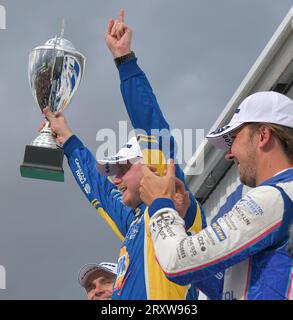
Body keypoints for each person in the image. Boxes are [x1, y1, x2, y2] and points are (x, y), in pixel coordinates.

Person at [42, 10, 209, 300]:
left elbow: (151, 123)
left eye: (121, 170)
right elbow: (100, 191)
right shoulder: (136, 225)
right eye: (113, 172)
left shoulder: (174, 206)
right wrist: (69, 141)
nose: (115, 180)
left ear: (151, 166)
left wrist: (125, 61)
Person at [140, 91, 293, 300]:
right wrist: (178, 220)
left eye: (233, 138)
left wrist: (160, 205)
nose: (229, 154)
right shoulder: (286, 194)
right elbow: (226, 287)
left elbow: (176, 264)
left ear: (263, 135)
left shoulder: (276, 197)